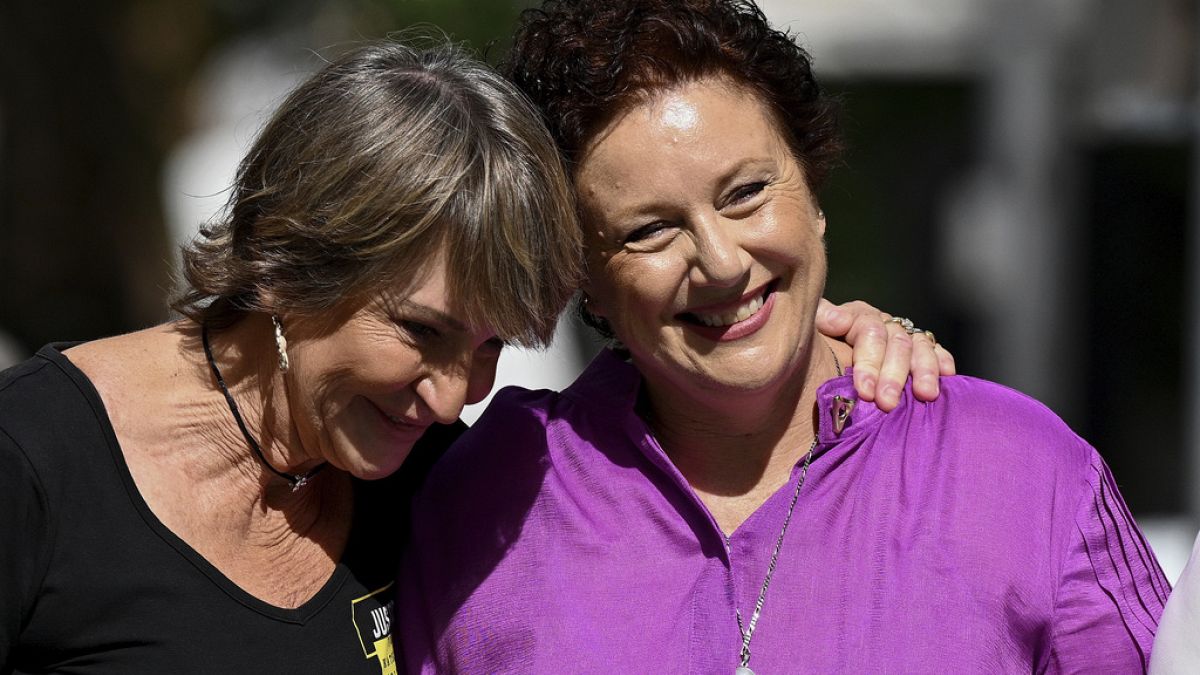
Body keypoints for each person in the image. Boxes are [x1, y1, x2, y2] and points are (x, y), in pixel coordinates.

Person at [0, 37, 944, 672]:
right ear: (287, 262)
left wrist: (821, 344)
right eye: (421, 331)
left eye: (492, 346)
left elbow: (647, 423)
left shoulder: (440, 482)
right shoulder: (34, 467)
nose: (454, 396)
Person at [397, 2, 1170, 672]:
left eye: (747, 193)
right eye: (652, 229)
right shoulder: (487, 498)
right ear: (584, 276)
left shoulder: (1028, 476)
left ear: (814, 188)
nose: (723, 262)